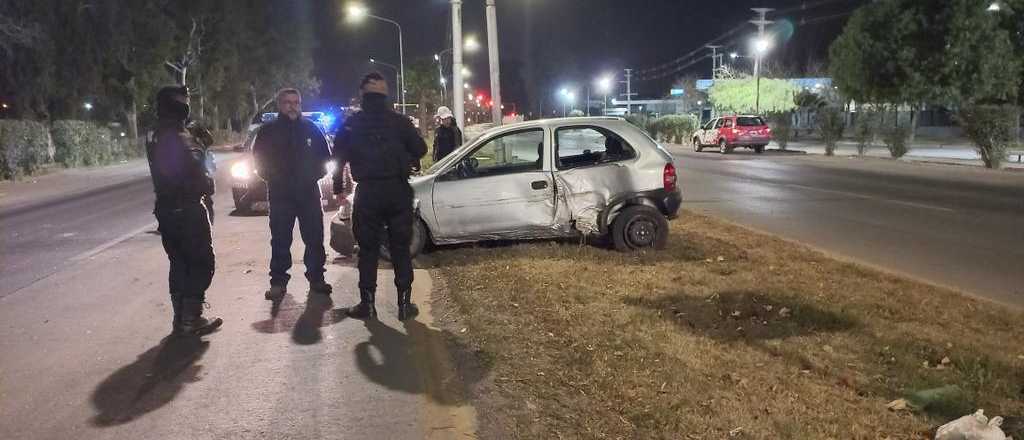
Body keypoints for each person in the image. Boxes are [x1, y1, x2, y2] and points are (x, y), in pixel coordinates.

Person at [332, 72, 427, 321]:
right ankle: (404, 305)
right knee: (400, 248)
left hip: (368, 193)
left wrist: (338, 188)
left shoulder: (352, 124)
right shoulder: (400, 122)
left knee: (367, 249)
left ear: (362, 95)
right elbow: (421, 148)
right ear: (385, 94)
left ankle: (368, 304)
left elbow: (338, 158)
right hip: (398, 191)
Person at [145, 85, 223, 336]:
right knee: (200, 262)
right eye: (183, 101)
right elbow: (195, 172)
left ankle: (180, 318)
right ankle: (191, 318)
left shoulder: (156, 134)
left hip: (167, 209)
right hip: (186, 208)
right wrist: (201, 151)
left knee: (179, 263)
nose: (187, 105)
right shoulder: (178, 136)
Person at [253, 88, 334, 300]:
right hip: (281, 195)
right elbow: (259, 161)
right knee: (280, 240)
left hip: (308, 194)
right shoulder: (268, 131)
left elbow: (325, 158)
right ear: (280, 105)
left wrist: (312, 176)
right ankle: (278, 283)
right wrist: (274, 178)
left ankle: (317, 279)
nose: (292, 107)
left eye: (296, 102)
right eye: (288, 102)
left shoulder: (311, 129)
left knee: (314, 238)